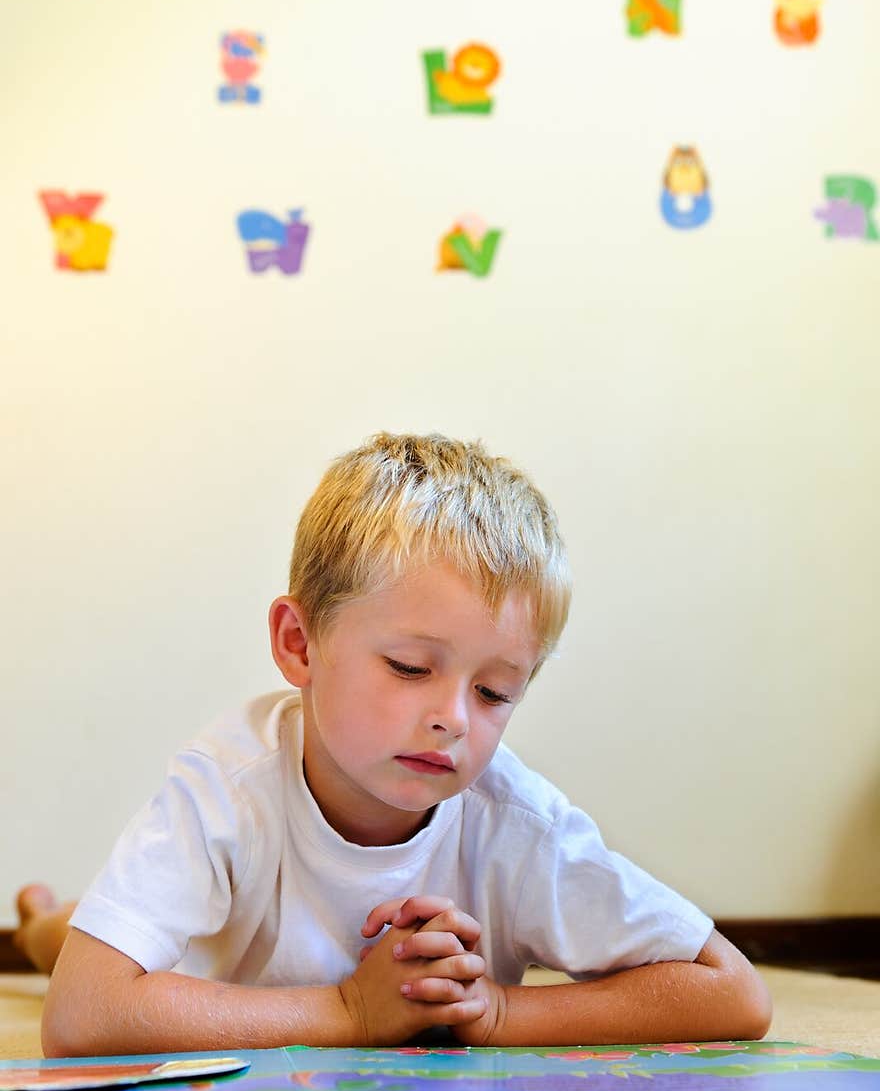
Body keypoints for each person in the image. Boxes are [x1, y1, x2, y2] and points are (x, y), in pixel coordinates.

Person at [16, 432, 772, 1056]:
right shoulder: (229, 783)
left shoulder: (515, 822)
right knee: (73, 945)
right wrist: (350, 1012)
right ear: (299, 644)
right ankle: (49, 921)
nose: (452, 718)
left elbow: (733, 991)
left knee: (104, 930)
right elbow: (83, 1015)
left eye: (495, 692)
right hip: (200, 965)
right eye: (410, 668)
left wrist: (500, 1014)